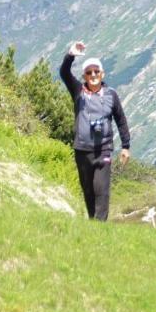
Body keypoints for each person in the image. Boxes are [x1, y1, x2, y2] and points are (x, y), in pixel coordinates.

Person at [60, 41, 131, 221]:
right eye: (89, 72)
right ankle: (93, 222)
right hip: (82, 150)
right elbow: (64, 73)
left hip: (103, 150)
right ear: (84, 76)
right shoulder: (78, 92)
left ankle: (100, 224)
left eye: (96, 72)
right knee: (88, 190)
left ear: (102, 74)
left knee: (102, 190)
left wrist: (125, 146)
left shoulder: (111, 95)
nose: (93, 75)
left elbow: (121, 120)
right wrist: (71, 55)